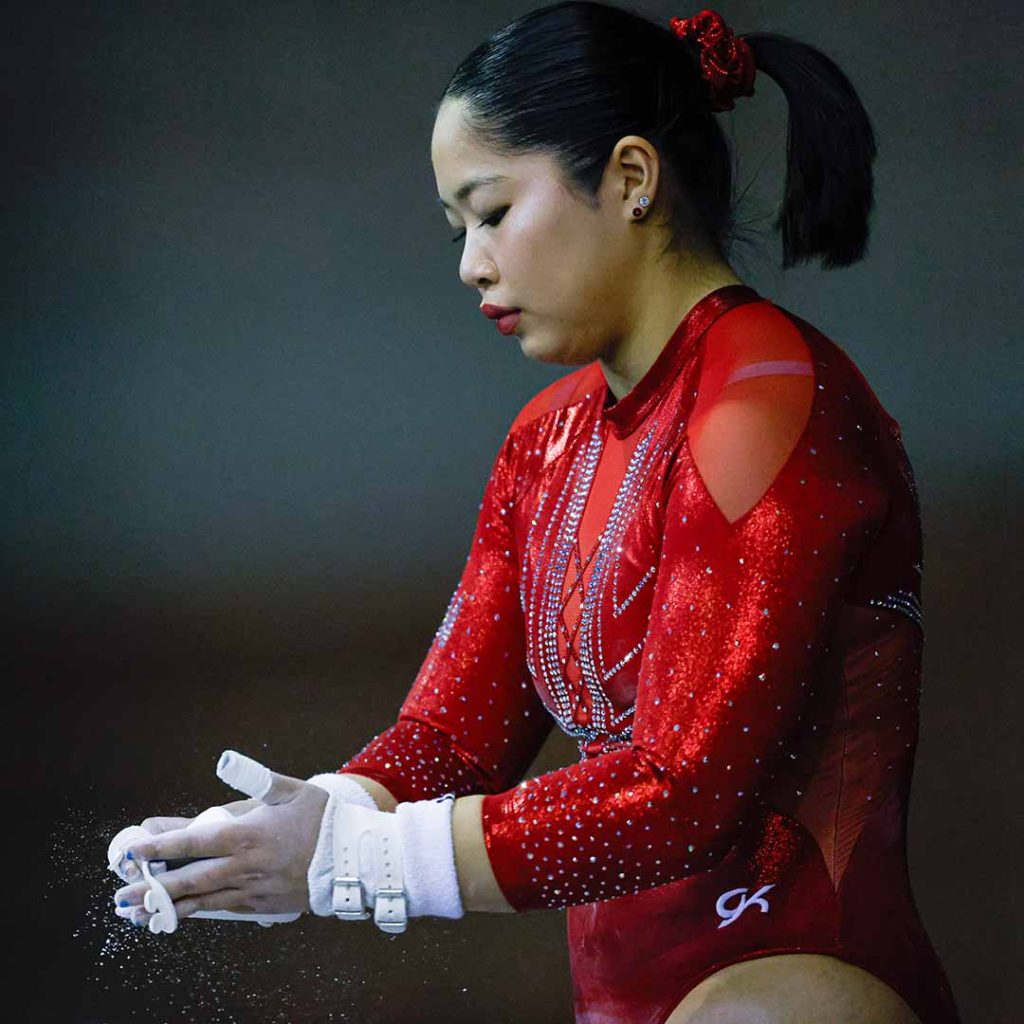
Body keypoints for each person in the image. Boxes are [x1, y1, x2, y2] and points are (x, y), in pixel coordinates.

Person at [109, 3, 963, 1021]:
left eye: (492, 211)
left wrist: (357, 860)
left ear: (632, 178)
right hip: (634, 995)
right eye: (458, 229)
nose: (470, 264)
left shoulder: (762, 398)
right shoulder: (547, 438)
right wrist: (299, 826)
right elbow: (452, 741)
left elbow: (685, 791)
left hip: (795, 977)